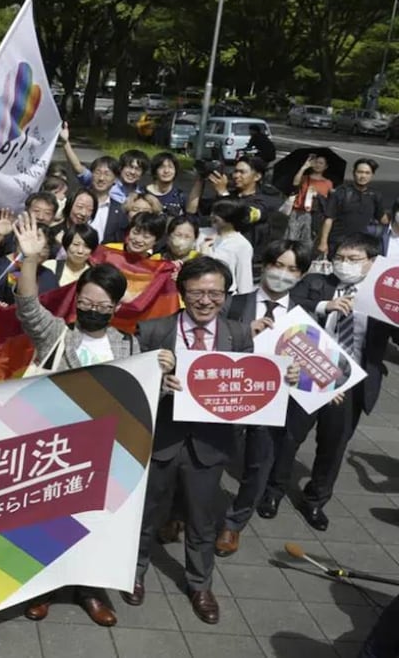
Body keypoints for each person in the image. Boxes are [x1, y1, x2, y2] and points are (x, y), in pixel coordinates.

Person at [12, 215, 174, 626]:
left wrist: (164, 380)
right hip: (55, 451)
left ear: (116, 308)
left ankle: (90, 590)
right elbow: (28, 306)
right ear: (76, 300)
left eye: (103, 306)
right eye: (86, 303)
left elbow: (142, 396)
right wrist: (30, 260)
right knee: (50, 523)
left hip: (106, 455)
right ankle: (44, 588)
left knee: (96, 525)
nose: (93, 311)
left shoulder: (130, 345)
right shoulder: (56, 335)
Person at [128, 256, 254, 625]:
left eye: (215, 293)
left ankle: (200, 584)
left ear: (226, 296)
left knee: (202, 519)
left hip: (209, 444)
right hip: (161, 439)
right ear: (182, 292)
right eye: (197, 292)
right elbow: (133, 387)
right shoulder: (153, 331)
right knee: (145, 512)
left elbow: (249, 385)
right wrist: (158, 385)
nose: (206, 300)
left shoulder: (238, 334)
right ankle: (133, 572)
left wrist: (284, 379)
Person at [260, 234, 395, 529]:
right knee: (289, 437)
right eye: (340, 258)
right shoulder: (317, 283)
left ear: (372, 262)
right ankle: (273, 491)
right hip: (309, 371)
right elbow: (289, 300)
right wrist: (324, 306)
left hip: (351, 382)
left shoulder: (381, 296)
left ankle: (315, 500)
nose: (344, 264)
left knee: (333, 445)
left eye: (353, 259)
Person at [213, 240, 312, 556]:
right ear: (265, 265)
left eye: (292, 269)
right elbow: (210, 344)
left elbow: (313, 365)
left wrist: (301, 377)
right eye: (278, 265)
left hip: (274, 402)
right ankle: (180, 512)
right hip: (230, 394)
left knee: (259, 465)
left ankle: (233, 524)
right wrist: (242, 334)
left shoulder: (304, 315)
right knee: (208, 458)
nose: (282, 274)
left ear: (301, 275)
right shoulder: (234, 304)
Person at [60, 122, 145, 204]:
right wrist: (65, 142)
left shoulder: (142, 194)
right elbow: (78, 167)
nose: (132, 172)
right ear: (121, 168)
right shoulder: (104, 182)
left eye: (137, 169)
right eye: (129, 167)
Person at [318, 159, 386, 257]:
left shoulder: (375, 195)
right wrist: (323, 242)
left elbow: (382, 219)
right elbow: (329, 218)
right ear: (354, 173)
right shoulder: (341, 192)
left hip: (361, 244)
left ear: (372, 175)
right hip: (338, 243)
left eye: (367, 173)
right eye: (360, 172)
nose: (363, 176)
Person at [0, 224, 59, 306]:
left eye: (44, 247)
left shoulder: (48, 275)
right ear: (18, 242)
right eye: (32, 245)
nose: (36, 251)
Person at [201, 200, 256, 295]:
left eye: (218, 214)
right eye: (213, 212)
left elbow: (244, 277)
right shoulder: (201, 233)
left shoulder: (242, 244)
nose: (212, 216)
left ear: (231, 218)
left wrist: (245, 299)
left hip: (225, 294)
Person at [287, 153, 334, 245]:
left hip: (315, 215)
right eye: (316, 162)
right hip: (298, 212)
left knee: (307, 242)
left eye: (321, 163)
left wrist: (318, 195)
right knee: (291, 239)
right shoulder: (305, 178)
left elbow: (328, 200)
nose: (318, 165)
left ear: (325, 167)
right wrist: (304, 168)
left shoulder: (328, 183)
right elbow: (295, 183)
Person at [146, 152, 187, 216]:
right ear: (155, 171)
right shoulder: (142, 193)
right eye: (162, 167)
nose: (166, 171)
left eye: (170, 167)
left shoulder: (180, 196)